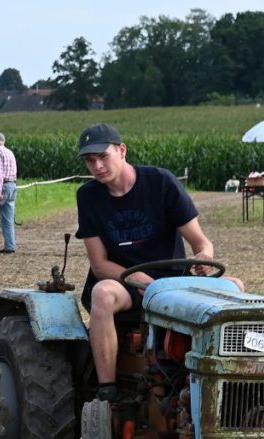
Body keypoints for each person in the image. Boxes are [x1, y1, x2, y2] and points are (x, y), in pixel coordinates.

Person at [74, 124, 244, 402]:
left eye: (103, 157)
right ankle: (107, 390)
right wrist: (142, 282)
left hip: (172, 281)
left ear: (122, 150)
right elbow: (100, 264)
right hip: (125, 284)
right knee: (101, 294)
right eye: (90, 161)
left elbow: (201, 243)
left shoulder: (160, 183)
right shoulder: (88, 196)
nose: (97, 166)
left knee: (234, 287)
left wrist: (204, 258)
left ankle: (233, 379)